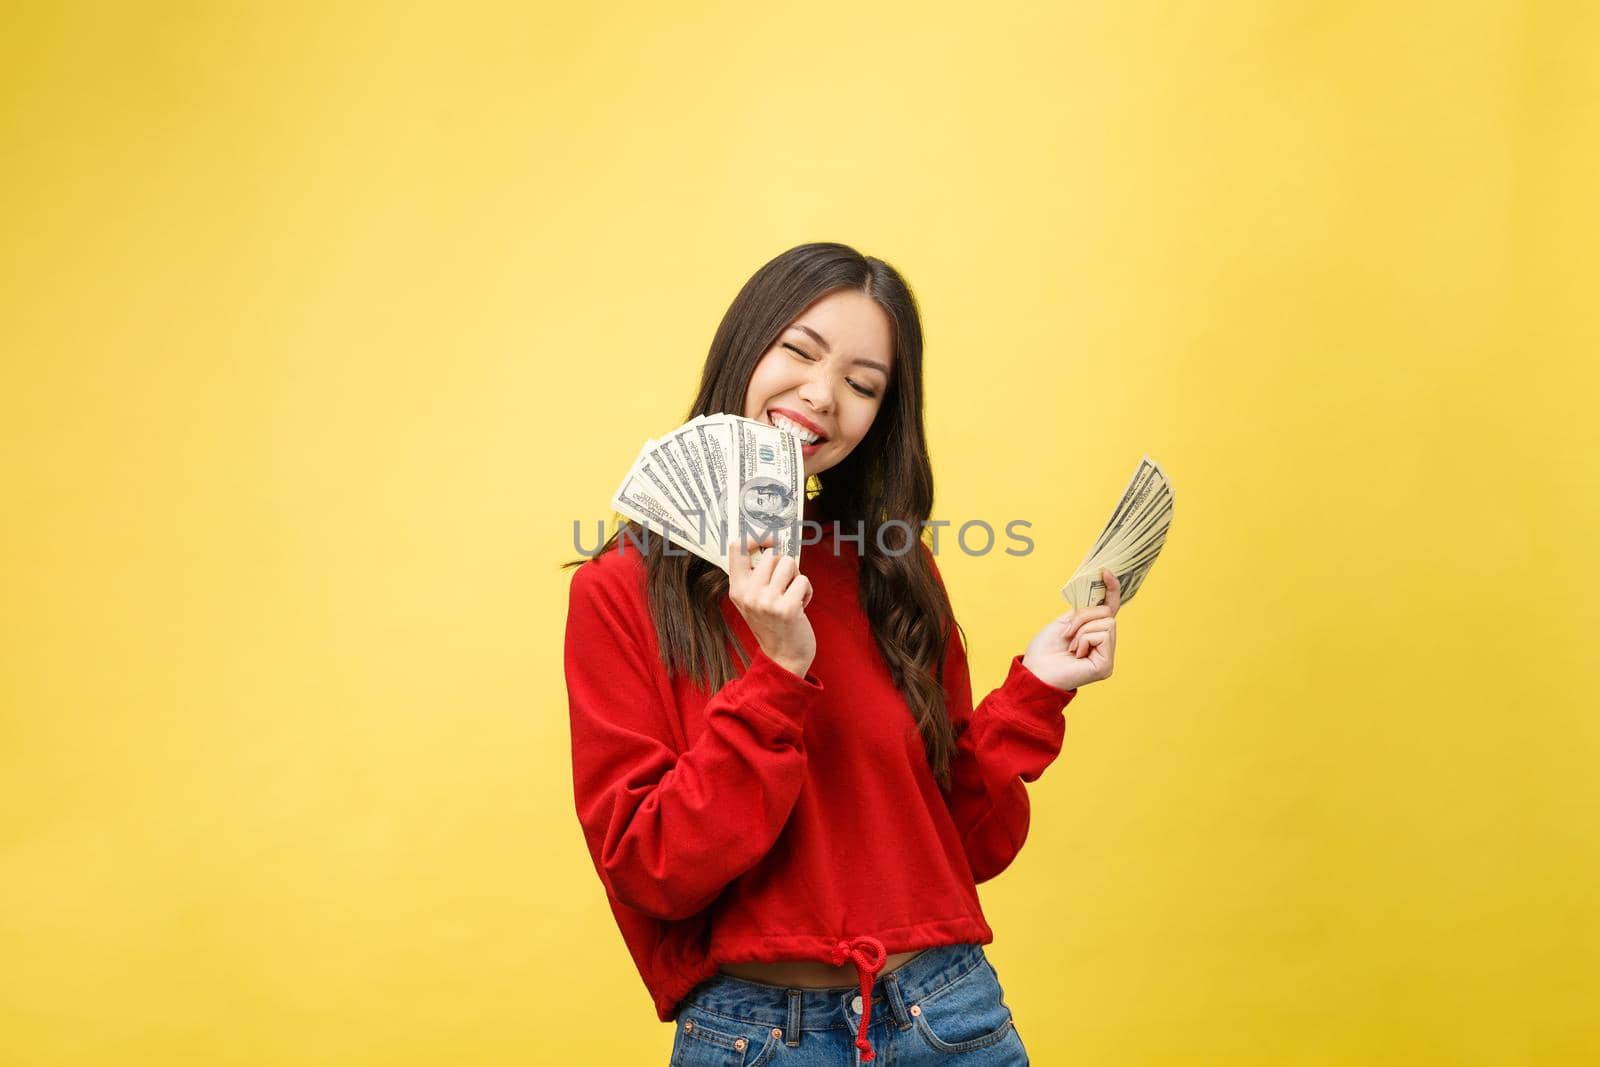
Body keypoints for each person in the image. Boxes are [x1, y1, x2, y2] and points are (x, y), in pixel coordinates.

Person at [563, 242, 1121, 1064]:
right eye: (799, 350)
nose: (823, 397)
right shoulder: (620, 592)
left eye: (864, 385)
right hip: (759, 1037)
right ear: (744, 346)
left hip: (949, 1014)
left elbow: (963, 843)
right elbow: (654, 870)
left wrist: (1037, 688)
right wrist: (778, 675)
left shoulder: (888, 564)